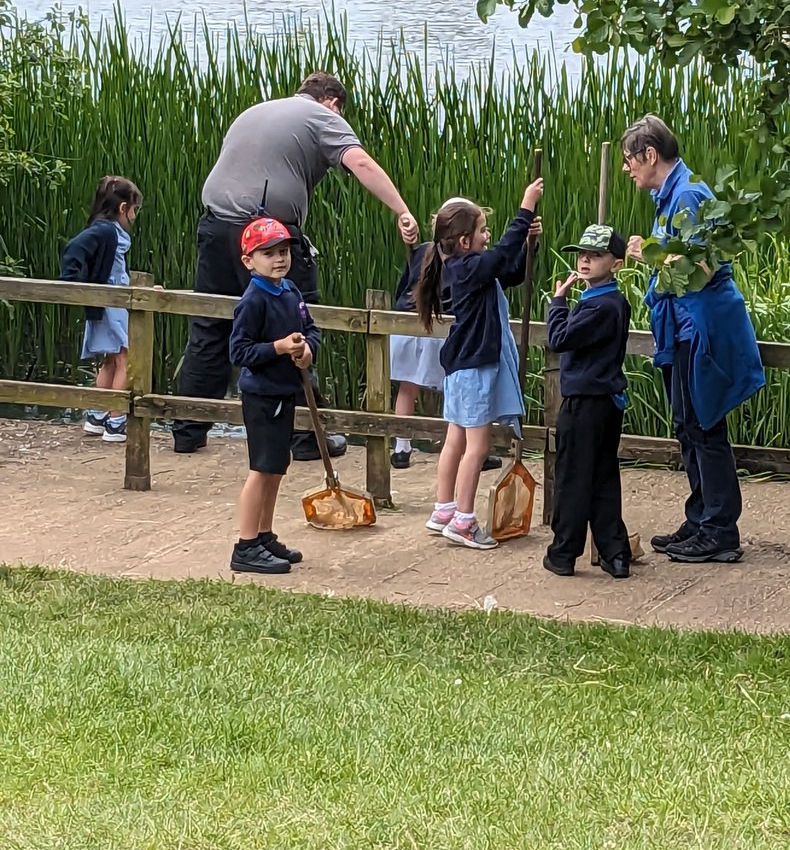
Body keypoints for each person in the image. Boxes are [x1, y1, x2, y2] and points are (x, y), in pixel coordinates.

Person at [172, 71, 418, 457]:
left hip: (215, 225)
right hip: (267, 233)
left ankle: (188, 429)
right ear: (333, 103)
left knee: (210, 323)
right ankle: (304, 437)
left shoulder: (256, 111)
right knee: (297, 321)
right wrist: (402, 210)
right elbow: (361, 163)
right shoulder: (324, 117)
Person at [622, 114, 765, 564]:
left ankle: (721, 528)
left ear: (650, 155)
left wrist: (650, 253)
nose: (627, 169)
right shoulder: (669, 196)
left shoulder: (688, 195)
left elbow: (700, 270)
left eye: (630, 160)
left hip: (701, 326)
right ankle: (702, 516)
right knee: (687, 425)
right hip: (682, 326)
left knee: (704, 425)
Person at [416, 179, 543, 551]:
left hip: (461, 366)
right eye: (483, 230)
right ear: (465, 242)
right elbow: (500, 256)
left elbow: (510, 270)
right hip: (474, 368)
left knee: (455, 439)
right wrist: (525, 207)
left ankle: (444, 509)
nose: (488, 235)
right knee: (477, 446)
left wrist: (527, 242)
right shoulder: (468, 267)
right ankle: (465, 520)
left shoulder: (468, 266)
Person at [228, 217, 322, 575]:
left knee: (276, 468)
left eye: (283, 251)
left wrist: (306, 350)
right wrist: (278, 348)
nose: (279, 259)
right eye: (268, 253)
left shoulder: (291, 292)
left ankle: (264, 535)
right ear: (249, 261)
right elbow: (240, 353)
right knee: (261, 469)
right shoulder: (252, 301)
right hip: (262, 396)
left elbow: (309, 329)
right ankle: (246, 544)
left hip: (285, 391)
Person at [543, 225, 633, 579]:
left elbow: (559, 339)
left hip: (585, 404)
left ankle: (564, 553)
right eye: (582, 254)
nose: (585, 260)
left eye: (596, 255)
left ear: (616, 264)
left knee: (573, 479)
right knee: (603, 478)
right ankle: (615, 554)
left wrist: (557, 303)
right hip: (606, 403)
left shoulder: (601, 306)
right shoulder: (611, 302)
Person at [390, 227, 501, 475]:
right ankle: (465, 449)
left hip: (405, 324)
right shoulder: (463, 261)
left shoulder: (422, 251)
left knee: (406, 388)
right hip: (438, 328)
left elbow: (402, 288)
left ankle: (401, 448)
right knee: (453, 390)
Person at [60, 176, 143, 444]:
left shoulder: (107, 231)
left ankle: (97, 416)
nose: (134, 215)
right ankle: (116, 421)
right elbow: (74, 249)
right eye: (134, 209)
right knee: (124, 357)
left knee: (111, 358)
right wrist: (71, 283)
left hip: (113, 299)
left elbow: (115, 270)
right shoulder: (105, 230)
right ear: (123, 208)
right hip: (110, 302)